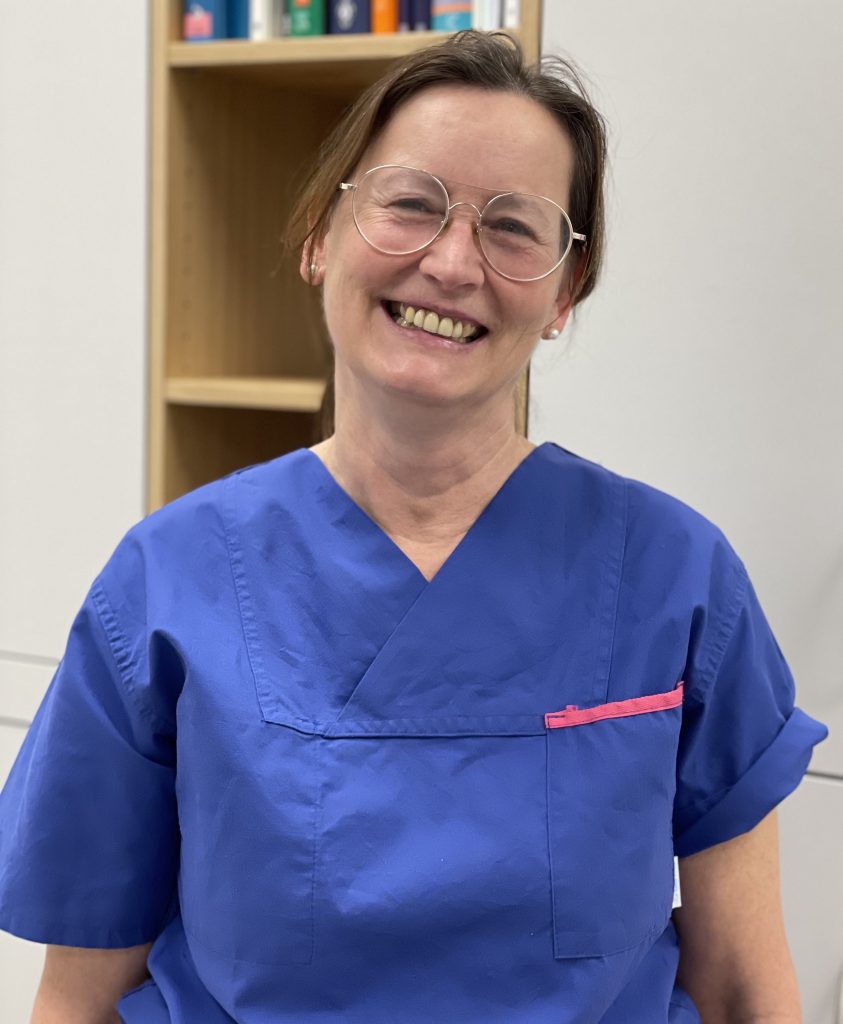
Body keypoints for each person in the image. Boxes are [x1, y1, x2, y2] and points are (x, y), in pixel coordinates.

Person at [0, 30, 827, 1024]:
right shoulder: (167, 583)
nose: (451, 261)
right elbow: (79, 997)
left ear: (563, 293)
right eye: (409, 204)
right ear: (320, 236)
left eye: (513, 227)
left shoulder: (676, 578)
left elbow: (743, 985)